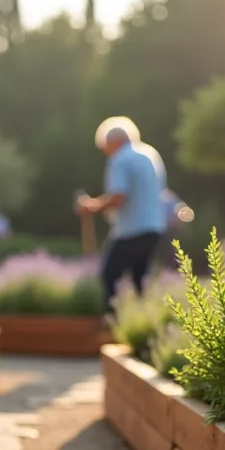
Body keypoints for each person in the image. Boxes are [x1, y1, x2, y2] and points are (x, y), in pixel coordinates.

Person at [74, 116, 167, 315]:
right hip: (155, 227)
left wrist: (92, 206)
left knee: (110, 274)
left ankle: (111, 324)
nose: (105, 152)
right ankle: (144, 321)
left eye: (105, 147)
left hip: (131, 229)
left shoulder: (120, 160)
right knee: (140, 279)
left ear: (114, 142)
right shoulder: (150, 155)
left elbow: (118, 197)